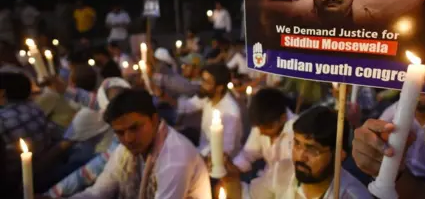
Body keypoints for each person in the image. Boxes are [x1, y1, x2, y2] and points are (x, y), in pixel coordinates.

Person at [55, 89, 211, 199]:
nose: (128, 139)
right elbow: (99, 192)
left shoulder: (174, 159)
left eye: (135, 128)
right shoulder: (124, 151)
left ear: (154, 120)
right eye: (120, 132)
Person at [221, 106, 372, 198]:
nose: (300, 156)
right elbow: (248, 196)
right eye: (297, 144)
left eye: (312, 150)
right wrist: (230, 177)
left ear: (339, 155)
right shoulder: (283, 171)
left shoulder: (352, 195)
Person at [0, 72, 61, 198]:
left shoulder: (3, 120)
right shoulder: (35, 107)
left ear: (2, 94)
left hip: (18, 183)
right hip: (48, 169)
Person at [177, 63, 243, 156]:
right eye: (202, 80)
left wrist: (197, 158)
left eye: (206, 82)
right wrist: (162, 95)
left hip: (220, 161)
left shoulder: (231, 112)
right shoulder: (207, 96)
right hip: (201, 151)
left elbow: (226, 148)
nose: (202, 85)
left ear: (219, 88)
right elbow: (187, 106)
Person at [232, 88, 297, 174]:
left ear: (283, 119)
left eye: (267, 128)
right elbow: (248, 154)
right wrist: (232, 168)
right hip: (267, 178)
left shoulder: (297, 132)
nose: (261, 133)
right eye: (259, 128)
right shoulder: (262, 123)